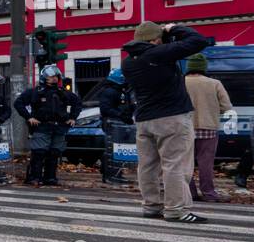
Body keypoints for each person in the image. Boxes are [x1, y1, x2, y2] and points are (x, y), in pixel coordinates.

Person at [120, 21, 214, 222]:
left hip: (145, 119)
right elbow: (198, 41)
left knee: (147, 166)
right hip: (172, 117)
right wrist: (174, 29)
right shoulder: (158, 53)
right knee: (175, 165)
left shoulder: (128, 61)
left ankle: (151, 206)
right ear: (155, 40)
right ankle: (176, 209)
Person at [13, 64, 82, 187]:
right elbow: (18, 103)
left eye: (56, 76)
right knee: (38, 153)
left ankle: (50, 178)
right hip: (42, 126)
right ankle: (34, 177)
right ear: (44, 78)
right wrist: (29, 117)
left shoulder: (63, 92)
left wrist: (72, 117)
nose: (54, 78)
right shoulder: (36, 92)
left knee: (54, 153)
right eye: (51, 76)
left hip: (59, 127)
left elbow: (77, 102)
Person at [183, 53, 231, 202]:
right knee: (206, 162)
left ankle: (190, 193)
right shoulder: (214, 83)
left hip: (184, 128)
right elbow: (226, 107)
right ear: (203, 68)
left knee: (185, 162)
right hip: (208, 127)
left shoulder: (179, 82)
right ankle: (209, 193)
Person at [96, 68, 134, 183]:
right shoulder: (110, 91)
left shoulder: (119, 91)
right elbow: (105, 109)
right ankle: (111, 174)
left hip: (117, 123)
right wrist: (121, 115)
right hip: (112, 123)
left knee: (116, 150)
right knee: (112, 150)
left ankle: (114, 173)